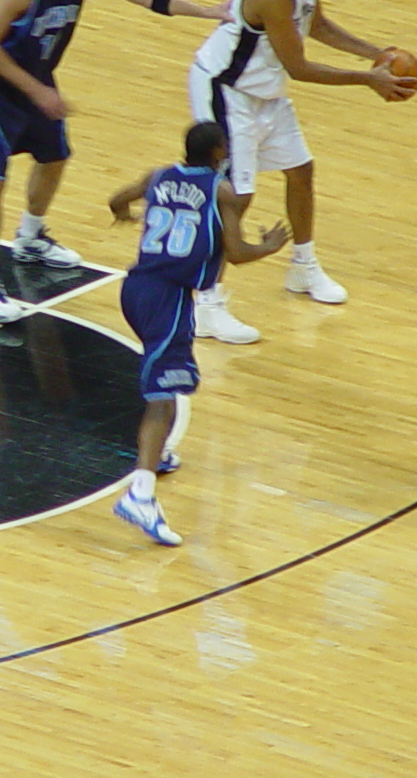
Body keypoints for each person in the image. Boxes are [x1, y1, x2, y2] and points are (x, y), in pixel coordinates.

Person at [0, 0, 221, 324]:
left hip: (34, 78)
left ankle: (29, 238)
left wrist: (207, 11)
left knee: (55, 156)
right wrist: (39, 91)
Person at [184, 0, 411, 343]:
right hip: (225, 89)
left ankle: (303, 268)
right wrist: (369, 79)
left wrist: (376, 53)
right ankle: (206, 304)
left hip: (263, 89)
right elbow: (299, 67)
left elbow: (318, 26)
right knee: (236, 195)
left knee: (301, 170)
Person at [103, 119, 291, 543]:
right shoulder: (220, 191)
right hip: (167, 298)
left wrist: (128, 217)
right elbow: (237, 254)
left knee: (170, 385)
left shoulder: (158, 176)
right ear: (219, 152)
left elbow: (116, 200)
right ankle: (140, 494)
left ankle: (159, 454)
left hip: (136, 288)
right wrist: (270, 247)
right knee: (162, 396)